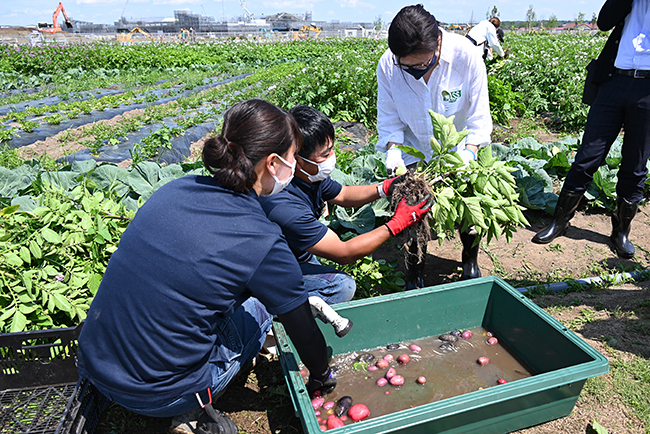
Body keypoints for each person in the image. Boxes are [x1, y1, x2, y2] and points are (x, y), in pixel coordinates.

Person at [77, 99, 337, 434]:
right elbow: (303, 329)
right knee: (260, 308)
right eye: (292, 157)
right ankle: (190, 413)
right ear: (273, 163)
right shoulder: (262, 238)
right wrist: (322, 374)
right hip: (160, 394)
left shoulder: (175, 189)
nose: (293, 166)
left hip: (95, 367)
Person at [258, 105, 431, 303]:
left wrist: (385, 187)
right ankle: (274, 312)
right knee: (341, 286)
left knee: (314, 263)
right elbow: (344, 253)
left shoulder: (308, 176)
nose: (331, 158)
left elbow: (343, 194)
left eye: (331, 150)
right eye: (325, 154)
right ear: (297, 160)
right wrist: (396, 223)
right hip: (268, 271)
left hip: (294, 255)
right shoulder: (284, 205)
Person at [376, 4, 493, 284]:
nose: (415, 70)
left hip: (461, 149)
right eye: (408, 66)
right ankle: (415, 268)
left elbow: (479, 117)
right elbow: (390, 118)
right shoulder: (389, 66)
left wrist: (469, 152)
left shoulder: (466, 56)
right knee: (413, 210)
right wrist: (393, 151)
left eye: (421, 64)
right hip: (415, 148)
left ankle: (470, 259)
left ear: (437, 42)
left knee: (468, 208)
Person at [532, 0, 648, 260]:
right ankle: (561, 221)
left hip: (648, 90)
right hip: (614, 81)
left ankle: (621, 231)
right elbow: (605, 21)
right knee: (588, 155)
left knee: (635, 164)